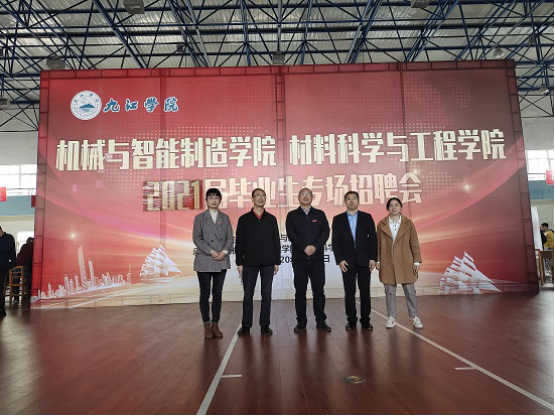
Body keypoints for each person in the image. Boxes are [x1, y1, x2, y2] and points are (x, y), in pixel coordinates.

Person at [236, 188, 281, 336]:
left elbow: (276, 241)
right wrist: (239, 263)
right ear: (252, 199)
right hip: (249, 263)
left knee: (266, 294)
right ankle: (246, 325)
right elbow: (239, 243)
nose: (261, 198)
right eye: (258, 196)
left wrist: (277, 261)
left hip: (268, 263)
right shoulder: (244, 219)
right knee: (248, 295)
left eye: (263, 195)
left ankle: (265, 324)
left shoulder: (271, 219)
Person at [286, 188, 331, 333]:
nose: (305, 197)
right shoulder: (292, 215)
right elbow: (291, 234)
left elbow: (325, 232)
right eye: (302, 194)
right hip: (300, 259)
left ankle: (321, 320)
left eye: (308, 194)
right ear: (298, 197)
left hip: (317, 259)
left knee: (319, 290)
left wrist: (315, 247)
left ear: (312, 197)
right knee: (300, 291)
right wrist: (304, 247)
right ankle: (301, 322)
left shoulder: (320, 214)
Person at [332, 191, 378, 331]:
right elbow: (336, 242)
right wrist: (339, 259)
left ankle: (365, 321)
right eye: (348, 199)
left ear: (358, 201)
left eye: (354, 198)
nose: (351, 201)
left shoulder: (366, 217)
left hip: (365, 261)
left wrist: (373, 258)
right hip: (347, 262)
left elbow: (373, 239)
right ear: (345, 202)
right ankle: (351, 321)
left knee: (365, 291)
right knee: (349, 292)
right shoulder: (338, 219)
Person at [377, 197, 424, 330]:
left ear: (400, 207)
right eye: (391, 205)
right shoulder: (381, 224)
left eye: (396, 205)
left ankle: (415, 317)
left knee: (410, 291)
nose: (394, 208)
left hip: (405, 261)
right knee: (390, 292)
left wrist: (416, 260)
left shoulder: (408, 223)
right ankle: (391, 317)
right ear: (388, 208)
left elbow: (414, 242)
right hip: (388, 261)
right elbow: (378, 244)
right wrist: (378, 260)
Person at [193, 189, 234, 339]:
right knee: (205, 293)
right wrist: (211, 251)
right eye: (211, 198)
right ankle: (206, 324)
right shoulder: (199, 218)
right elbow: (197, 238)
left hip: (221, 259)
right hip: (205, 259)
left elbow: (230, 238)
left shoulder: (225, 218)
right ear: (206, 200)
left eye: (217, 198)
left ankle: (216, 324)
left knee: (217, 293)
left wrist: (224, 251)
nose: (214, 200)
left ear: (220, 200)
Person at [0, 226, 17, 318]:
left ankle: (1, 309)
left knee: (0, 287)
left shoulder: (9, 238)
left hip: (3, 267)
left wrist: (11, 265)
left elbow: (4, 248)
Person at [15, 237, 34, 303]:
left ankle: (16, 298)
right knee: (30, 281)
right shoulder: (33, 246)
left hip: (16, 266)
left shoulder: (24, 246)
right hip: (24, 266)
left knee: (15, 281)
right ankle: (29, 297)